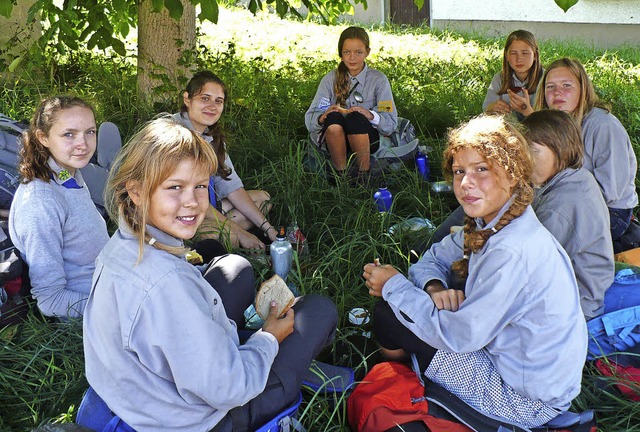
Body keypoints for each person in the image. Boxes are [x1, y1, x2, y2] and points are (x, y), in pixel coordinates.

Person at [83, 117, 337, 431]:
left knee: (234, 267)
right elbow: (230, 389)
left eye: (200, 186)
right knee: (318, 310)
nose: (191, 202)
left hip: (135, 390)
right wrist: (269, 337)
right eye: (174, 187)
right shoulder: (167, 286)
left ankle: (258, 342)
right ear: (136, 192)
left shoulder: (119, 245)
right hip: (203, 418)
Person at [363, 115, 587, 427]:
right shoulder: (492, 221)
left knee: (388, 314)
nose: (467, 183)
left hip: (524, 400)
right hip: (512, 365)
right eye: (459, 171)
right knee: (409, 306)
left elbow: (458, 336)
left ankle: (398, 386)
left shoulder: (511, 250)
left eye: (482, 169)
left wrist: (393, 285)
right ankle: (405, 378)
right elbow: (431, 259)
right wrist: (434, 289)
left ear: (512, 174)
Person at [8, 96, 109, 319]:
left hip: (113, 280)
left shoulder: (65, 173)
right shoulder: (41, 201)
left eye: (90, 132)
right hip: (96, 304)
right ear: (43, 137)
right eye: (69, 134)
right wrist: (115, 312)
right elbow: (51, 300)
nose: (83, 144)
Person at [522, 109, 614, 320]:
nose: (525, 160)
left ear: (560, 151)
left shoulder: (559, 208)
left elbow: (526, 268)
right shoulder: (578, 176)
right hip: (590, 288)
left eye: (534, 152)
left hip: (577, 307)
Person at [534, 57, 638, 240]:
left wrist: (559, 204)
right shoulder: (557, 124)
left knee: (540, 237)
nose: (557, 92)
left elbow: (610, 190)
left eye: (566, 85)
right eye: (550, 87)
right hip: (560, 201)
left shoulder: (603, 125)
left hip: (609, 212)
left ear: (583, 90)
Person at [174, 71, 277, 251]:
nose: (212, 106)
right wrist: (243, 233)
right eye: (205, 98)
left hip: (203, 207)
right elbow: (193, 200)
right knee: (226, 237)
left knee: (264, 199)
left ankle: (221, 229)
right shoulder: (176, 136)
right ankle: (218, 234)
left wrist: (269, 229)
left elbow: (232, 188)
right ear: (187, 99)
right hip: (175, 212)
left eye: (218, 101)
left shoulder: (210, 136)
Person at [305, 26, 397, 184]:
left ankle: (364, 176)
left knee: (356, 118)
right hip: (335, 140)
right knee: (333, 118)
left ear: (367, 52)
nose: (352, 58)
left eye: (358, 52)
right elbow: (310, 120)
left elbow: (390, 123)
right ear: (340, 54)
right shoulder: (329, 80)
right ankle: (340, 176)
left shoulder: (379, 80)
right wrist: (322, 117)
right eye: (347, 52)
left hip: (367, 139)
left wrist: (370, 115)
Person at [483, 30, 543, 120]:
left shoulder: (547, 78)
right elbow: (486, 109)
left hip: (538, 131)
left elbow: (552, 122)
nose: (519, 59)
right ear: (507, 56)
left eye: (525, 53)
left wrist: (528, 111)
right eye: (513, 53)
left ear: (535, 55)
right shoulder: (500, 78)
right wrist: (493, 108)